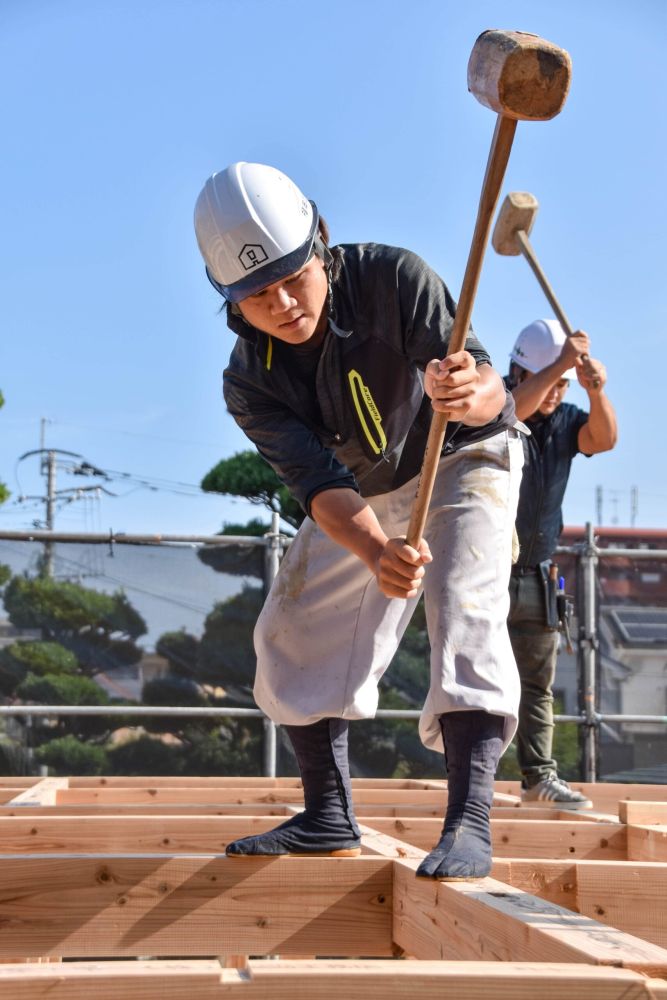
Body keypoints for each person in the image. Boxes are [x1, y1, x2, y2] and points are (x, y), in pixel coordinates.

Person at [194, 161, 525, 879]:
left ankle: (468, 820)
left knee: (463, 604)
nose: (281, 301)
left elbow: (492, 395)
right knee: (290, 627)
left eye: (292, 276)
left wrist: (465, 391)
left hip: (464, 456)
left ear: (321, 244)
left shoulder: (392, 278)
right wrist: (376, 551)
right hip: (365, 493)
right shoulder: (250, 378)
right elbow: (317, 485)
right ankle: (327, 814)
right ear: (229, 301)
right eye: (256, 295)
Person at [506, 319, 617, 808]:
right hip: (483, 569)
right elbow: (515, 410)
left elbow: (604, 438)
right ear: (519, 370)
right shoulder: (496, 405)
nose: (556, 391)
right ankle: (467, 779)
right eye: (550, 379)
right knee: (469, 680)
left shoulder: (568, 420)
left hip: (537, 573)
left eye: (563, 384)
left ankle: (538, 778)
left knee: (536, 685)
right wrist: (559, 366)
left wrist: (595, 392)